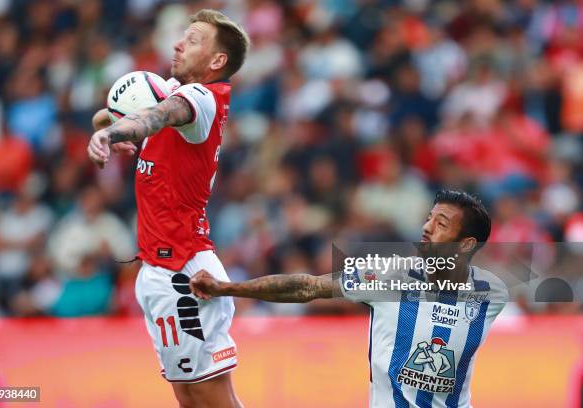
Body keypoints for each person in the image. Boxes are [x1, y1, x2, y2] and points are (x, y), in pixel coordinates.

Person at [190, 190, 508, 408]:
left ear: (466, 244)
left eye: (440, 224)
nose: (426, 228)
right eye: (429, 218)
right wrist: (228, 287)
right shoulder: (387, 276)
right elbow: (307, 288)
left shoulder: (491, 293)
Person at [87, 9, 250, 408]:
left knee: (209, 397)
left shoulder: (201, 98)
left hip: (183, 271)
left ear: (217, 61)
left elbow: (157, 116)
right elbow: (110, 114)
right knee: (191, 398)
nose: (179, 43)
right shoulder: (175, 87)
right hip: (164, 266)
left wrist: (115, 132)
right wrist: (112, 129)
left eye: (193, 39)